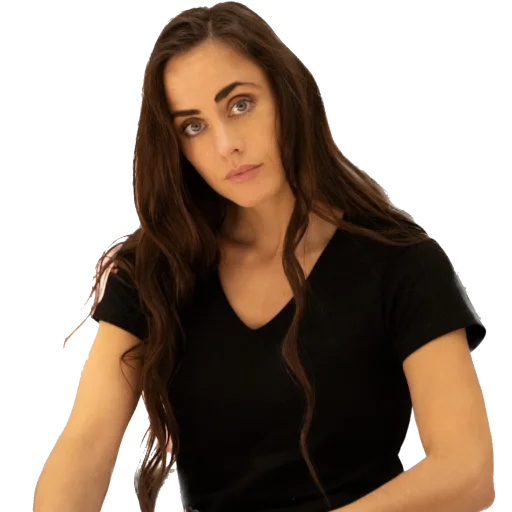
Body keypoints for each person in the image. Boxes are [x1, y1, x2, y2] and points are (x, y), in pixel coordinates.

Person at [34, 3, 494, 512]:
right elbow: (84, 448)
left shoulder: (400, 262)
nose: (226, 144)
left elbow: (468, 469)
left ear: (286, 94)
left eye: (240, 104)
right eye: (193, 126)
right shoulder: (155, 271)